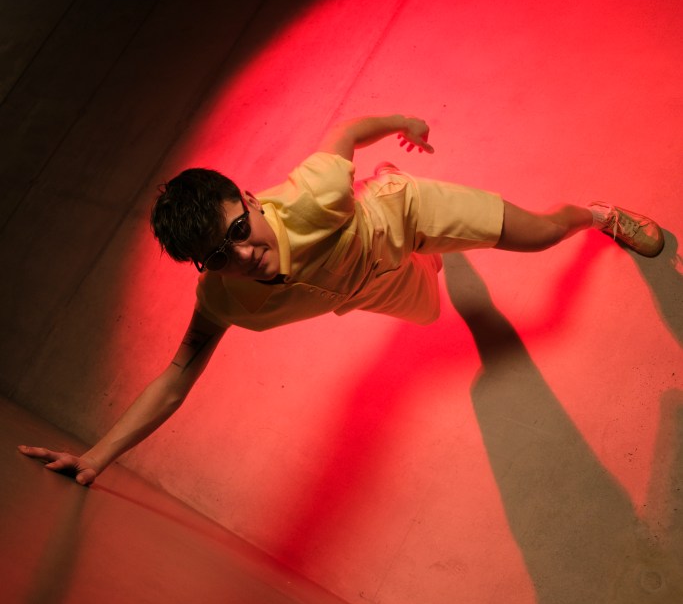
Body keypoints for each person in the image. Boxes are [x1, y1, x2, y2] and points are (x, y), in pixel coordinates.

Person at [18, 114, 664, 486]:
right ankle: (420, 234)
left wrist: (403, 122)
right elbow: (176, 377)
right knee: (432, 303)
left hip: (406, 214)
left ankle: (596, 213)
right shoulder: (222, 300)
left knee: (539, 235)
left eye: (239, 230)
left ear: (249, 200)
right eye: (217, 255)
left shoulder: (312, 196)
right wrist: (95, 458)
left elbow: (348, 131)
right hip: (373, 285)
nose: (241, 255)